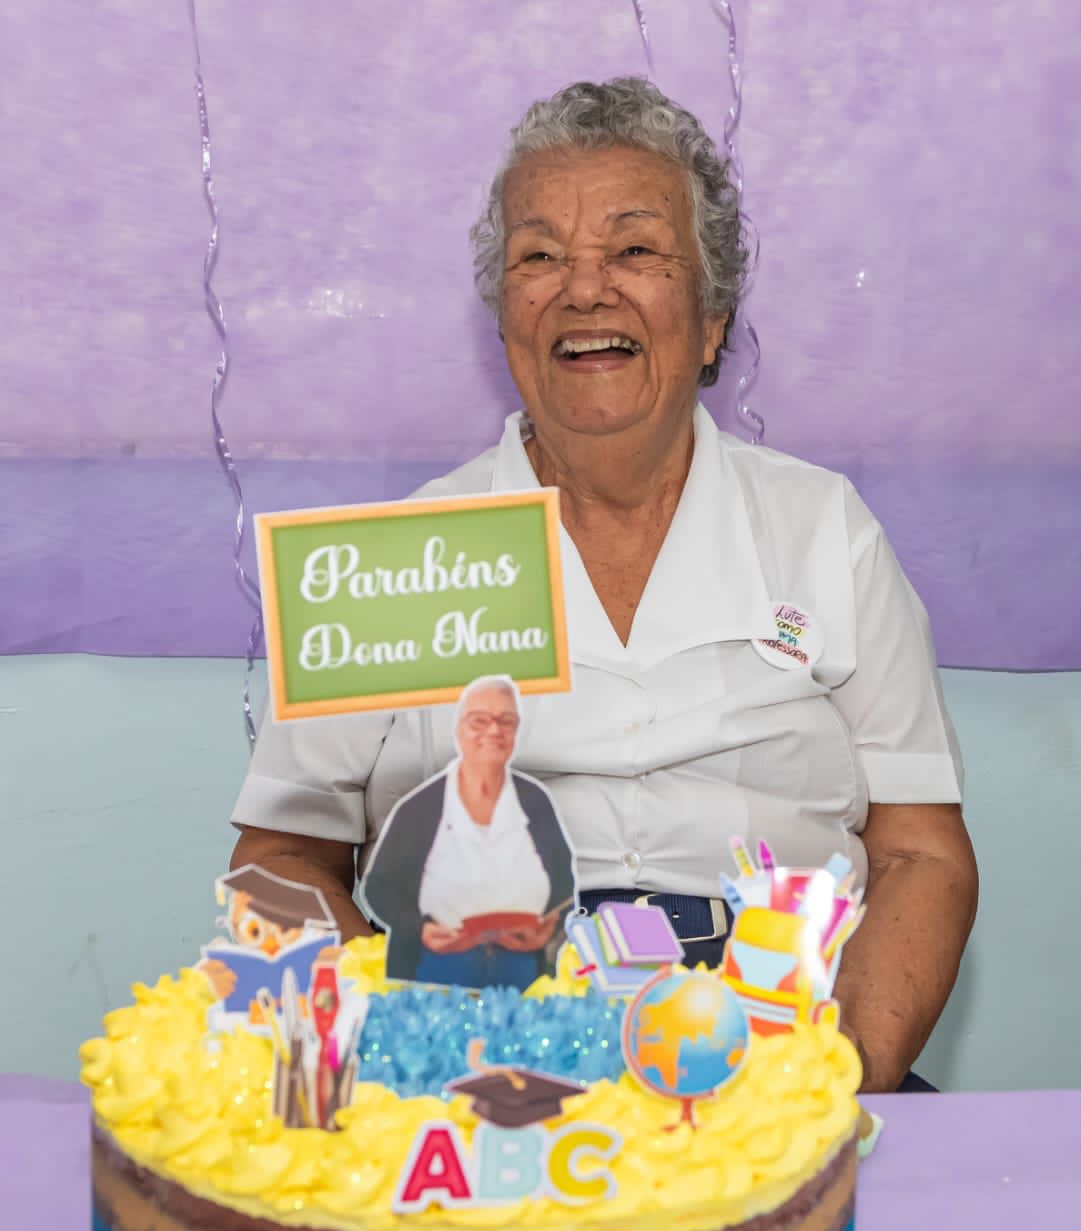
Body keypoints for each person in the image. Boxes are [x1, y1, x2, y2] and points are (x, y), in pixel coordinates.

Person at [230, 77, 979, 1092]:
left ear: (711, 318)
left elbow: (918, 852)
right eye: (540, 257)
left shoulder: (821, 530)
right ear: (505, 327)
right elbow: (277, 860)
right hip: (477, 1052)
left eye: (634, 250)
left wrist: (842, 1071)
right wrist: (395, 1038)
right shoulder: (405, 554)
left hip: (775, 1039)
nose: (585, 289)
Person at [360, 676, 574, 987]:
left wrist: (550, 926)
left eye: (506, 720)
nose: (493, 730)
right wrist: (418, 929)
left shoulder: (535, 801)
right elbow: (379, 888)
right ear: (459, 731)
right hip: (429, 981)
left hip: (532, 985)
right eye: (479, 721)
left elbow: (564, 884)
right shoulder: (421, 807)